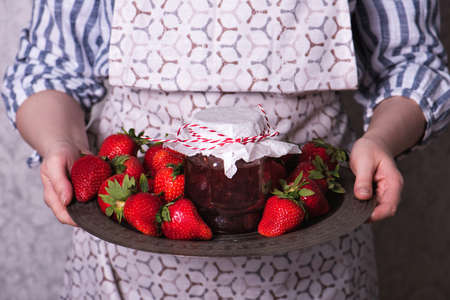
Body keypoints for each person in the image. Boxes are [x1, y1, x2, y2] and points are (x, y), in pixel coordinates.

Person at [2, 0, 449, 299]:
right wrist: (61, 143)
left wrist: (380, 140)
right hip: (126, 268)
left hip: (316, 255)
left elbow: (410, 62)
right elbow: (49, 68)